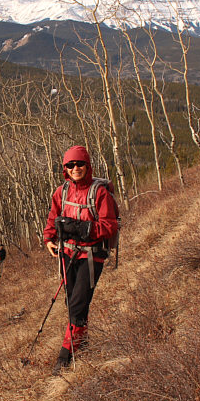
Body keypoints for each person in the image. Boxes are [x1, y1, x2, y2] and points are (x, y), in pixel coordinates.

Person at [43, 145, 119, 374]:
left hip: (91, 257)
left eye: (79, 164)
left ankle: (65, 357)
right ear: (65, 168)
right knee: (72, 302)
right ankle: (82, 341)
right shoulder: (62, 192)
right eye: (70, 165)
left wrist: (82, 228)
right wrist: (49, 238)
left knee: (77, 303)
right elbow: (53, 218)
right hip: (67, 255)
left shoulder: (99, 193)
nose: (75, 168)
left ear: (87, 165)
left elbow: (110, 225)